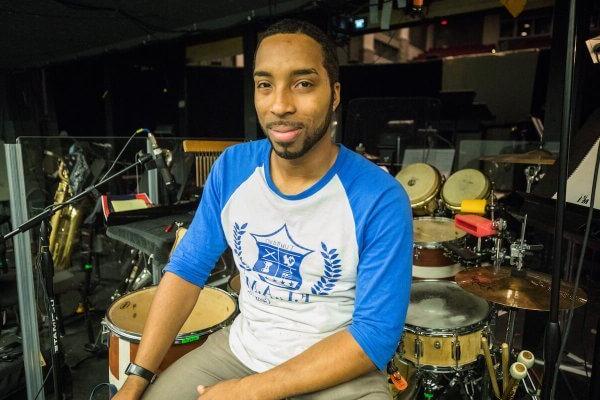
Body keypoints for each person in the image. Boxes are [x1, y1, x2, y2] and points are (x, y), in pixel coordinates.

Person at [113, 19, 412, 400]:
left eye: (303, 83)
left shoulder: (380, 197)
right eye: (265, 84)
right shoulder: (233, 167)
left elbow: (375, 335)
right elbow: (186, 271)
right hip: (241, 352)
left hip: (338, 370)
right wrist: (137, 378)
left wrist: (250, 391)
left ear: (334, 94)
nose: (280, 105)